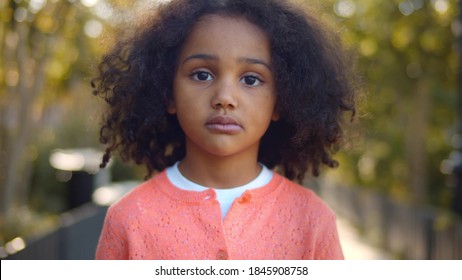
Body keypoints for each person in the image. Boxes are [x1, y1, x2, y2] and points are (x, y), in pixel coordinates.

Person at [92, 0, 356, 260]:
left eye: (251, 79)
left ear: (281, 99)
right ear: (168, 93)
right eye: (202, 75)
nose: (225, 97)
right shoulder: (128, 219)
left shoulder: (312, 220)